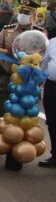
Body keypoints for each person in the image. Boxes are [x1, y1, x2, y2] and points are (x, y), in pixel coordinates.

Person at [0, 0, 44, 136]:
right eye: (20, 11)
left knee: (24, 115)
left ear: (33, 15)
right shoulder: (8, 30)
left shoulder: (39, 34)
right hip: (6, 77)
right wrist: (8, 52)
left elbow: (43, 55)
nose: (22, 15)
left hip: (28, 82)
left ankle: (19, 146)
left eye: (26, 12)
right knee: (1, 111)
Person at [39, 37, 56, 168]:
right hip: (52, 86)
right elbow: (44, 64)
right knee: (52, 121)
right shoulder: (52, 42)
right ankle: (55, 156)